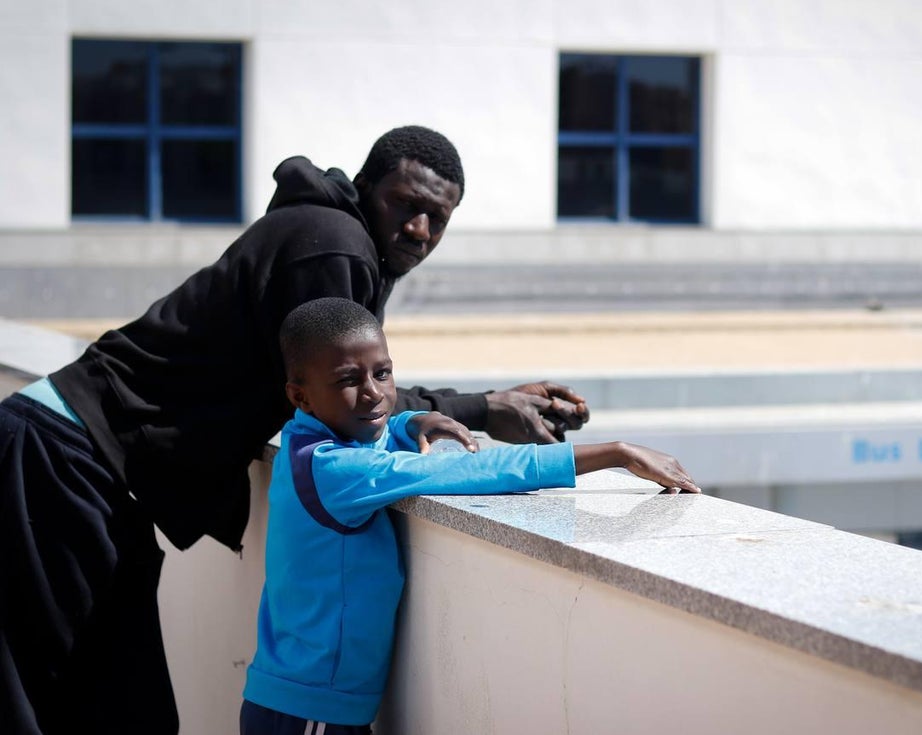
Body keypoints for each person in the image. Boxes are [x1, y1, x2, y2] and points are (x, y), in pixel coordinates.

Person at [0, 126, 590, 735]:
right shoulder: (334, 246)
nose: (419, 230)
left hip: (85, 464)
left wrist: (484, 405)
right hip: (62, 457)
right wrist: (483, 409)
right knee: (70, 705)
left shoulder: (333, 236)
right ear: (365, 189)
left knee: (121, 710)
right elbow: (349, 398)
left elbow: (350, 392)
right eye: (406, 205)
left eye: (437, 219)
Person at [240, 298, 699, 734]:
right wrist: (612, 452)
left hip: (305, 697)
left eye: (383, 373)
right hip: (310, 709)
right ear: (300, 396)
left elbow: (373, 433)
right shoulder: (332, 469)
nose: (374, 393)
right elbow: (463, 468)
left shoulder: (307, 439)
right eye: (347, 380)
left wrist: (412, 421)